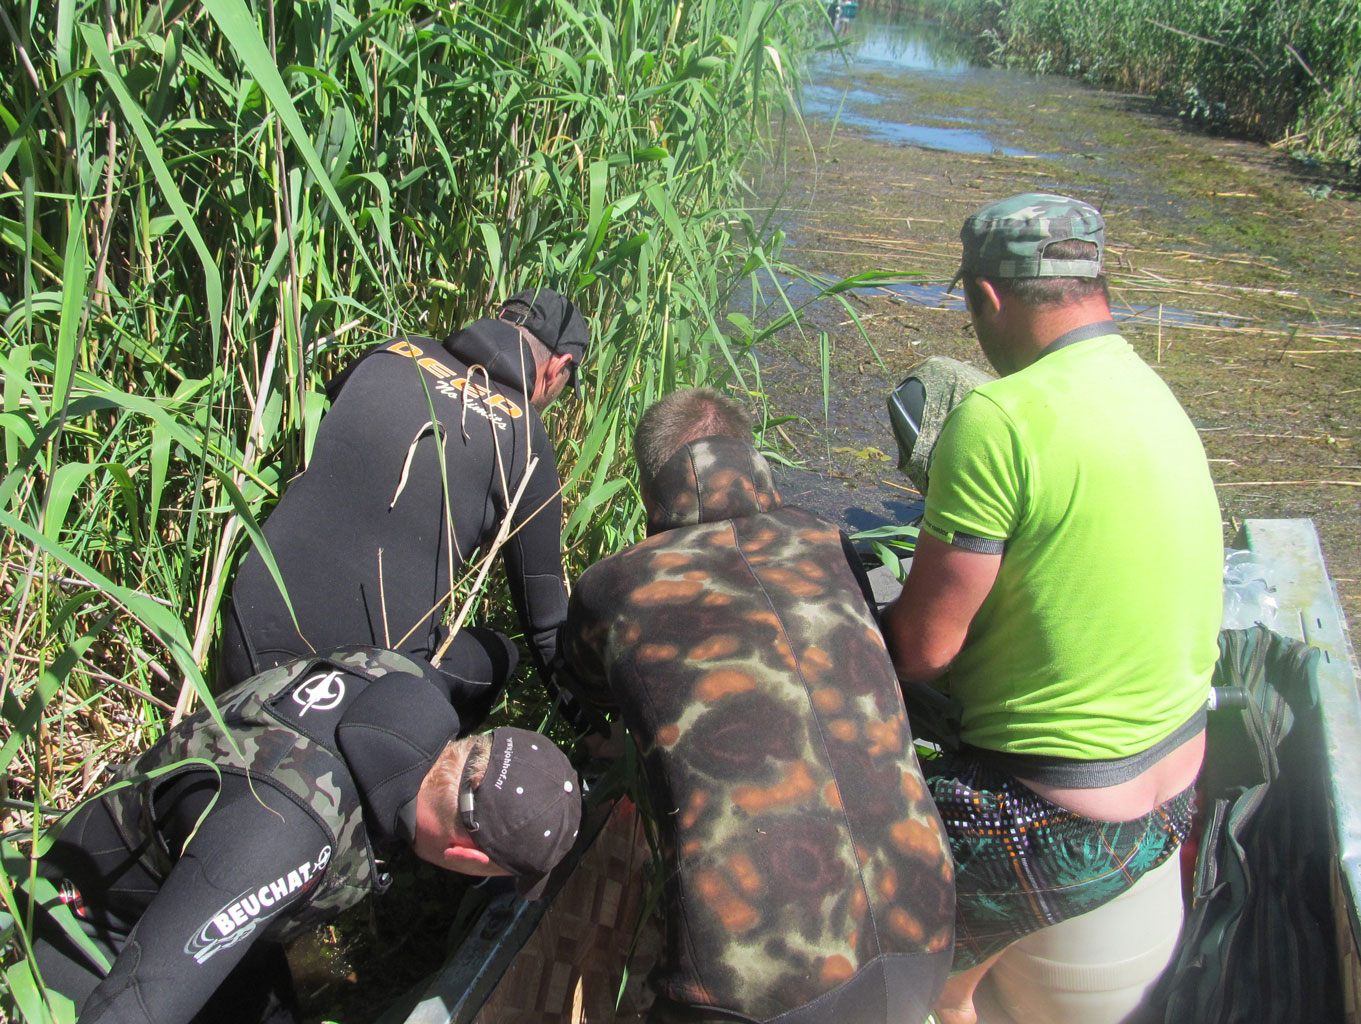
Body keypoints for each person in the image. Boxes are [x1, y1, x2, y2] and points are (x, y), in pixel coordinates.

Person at [880, 193, 1223, 1024]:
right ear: (1096, 283)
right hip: (1172, 798)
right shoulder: (1152, 391)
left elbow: (921, 651)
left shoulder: (997, 420)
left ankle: (948, 999)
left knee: (866, 921)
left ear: (985, 297)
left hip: (1048, 821)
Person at [556, 389, 956, 1024]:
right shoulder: (829, 542)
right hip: (927, 936)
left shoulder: (614, 583)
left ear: (648, 487)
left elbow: (585, 687)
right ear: (752, 458)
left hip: (751, 991)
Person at [12, 646, 582, 1024]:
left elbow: (487, 651)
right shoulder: (288, 841)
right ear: (465, 855)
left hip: (213, 879)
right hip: (90, 919)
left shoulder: (402, 679)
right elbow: (136, 1005)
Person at [221, 288, 590, 725]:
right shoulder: (525, 437)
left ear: (499, 317)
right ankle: (422, 754)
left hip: (244, 639)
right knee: (501, 654)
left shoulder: (394, 350)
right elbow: (545, 626)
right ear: (558, 368)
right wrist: (587, 726)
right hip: (359, 689)